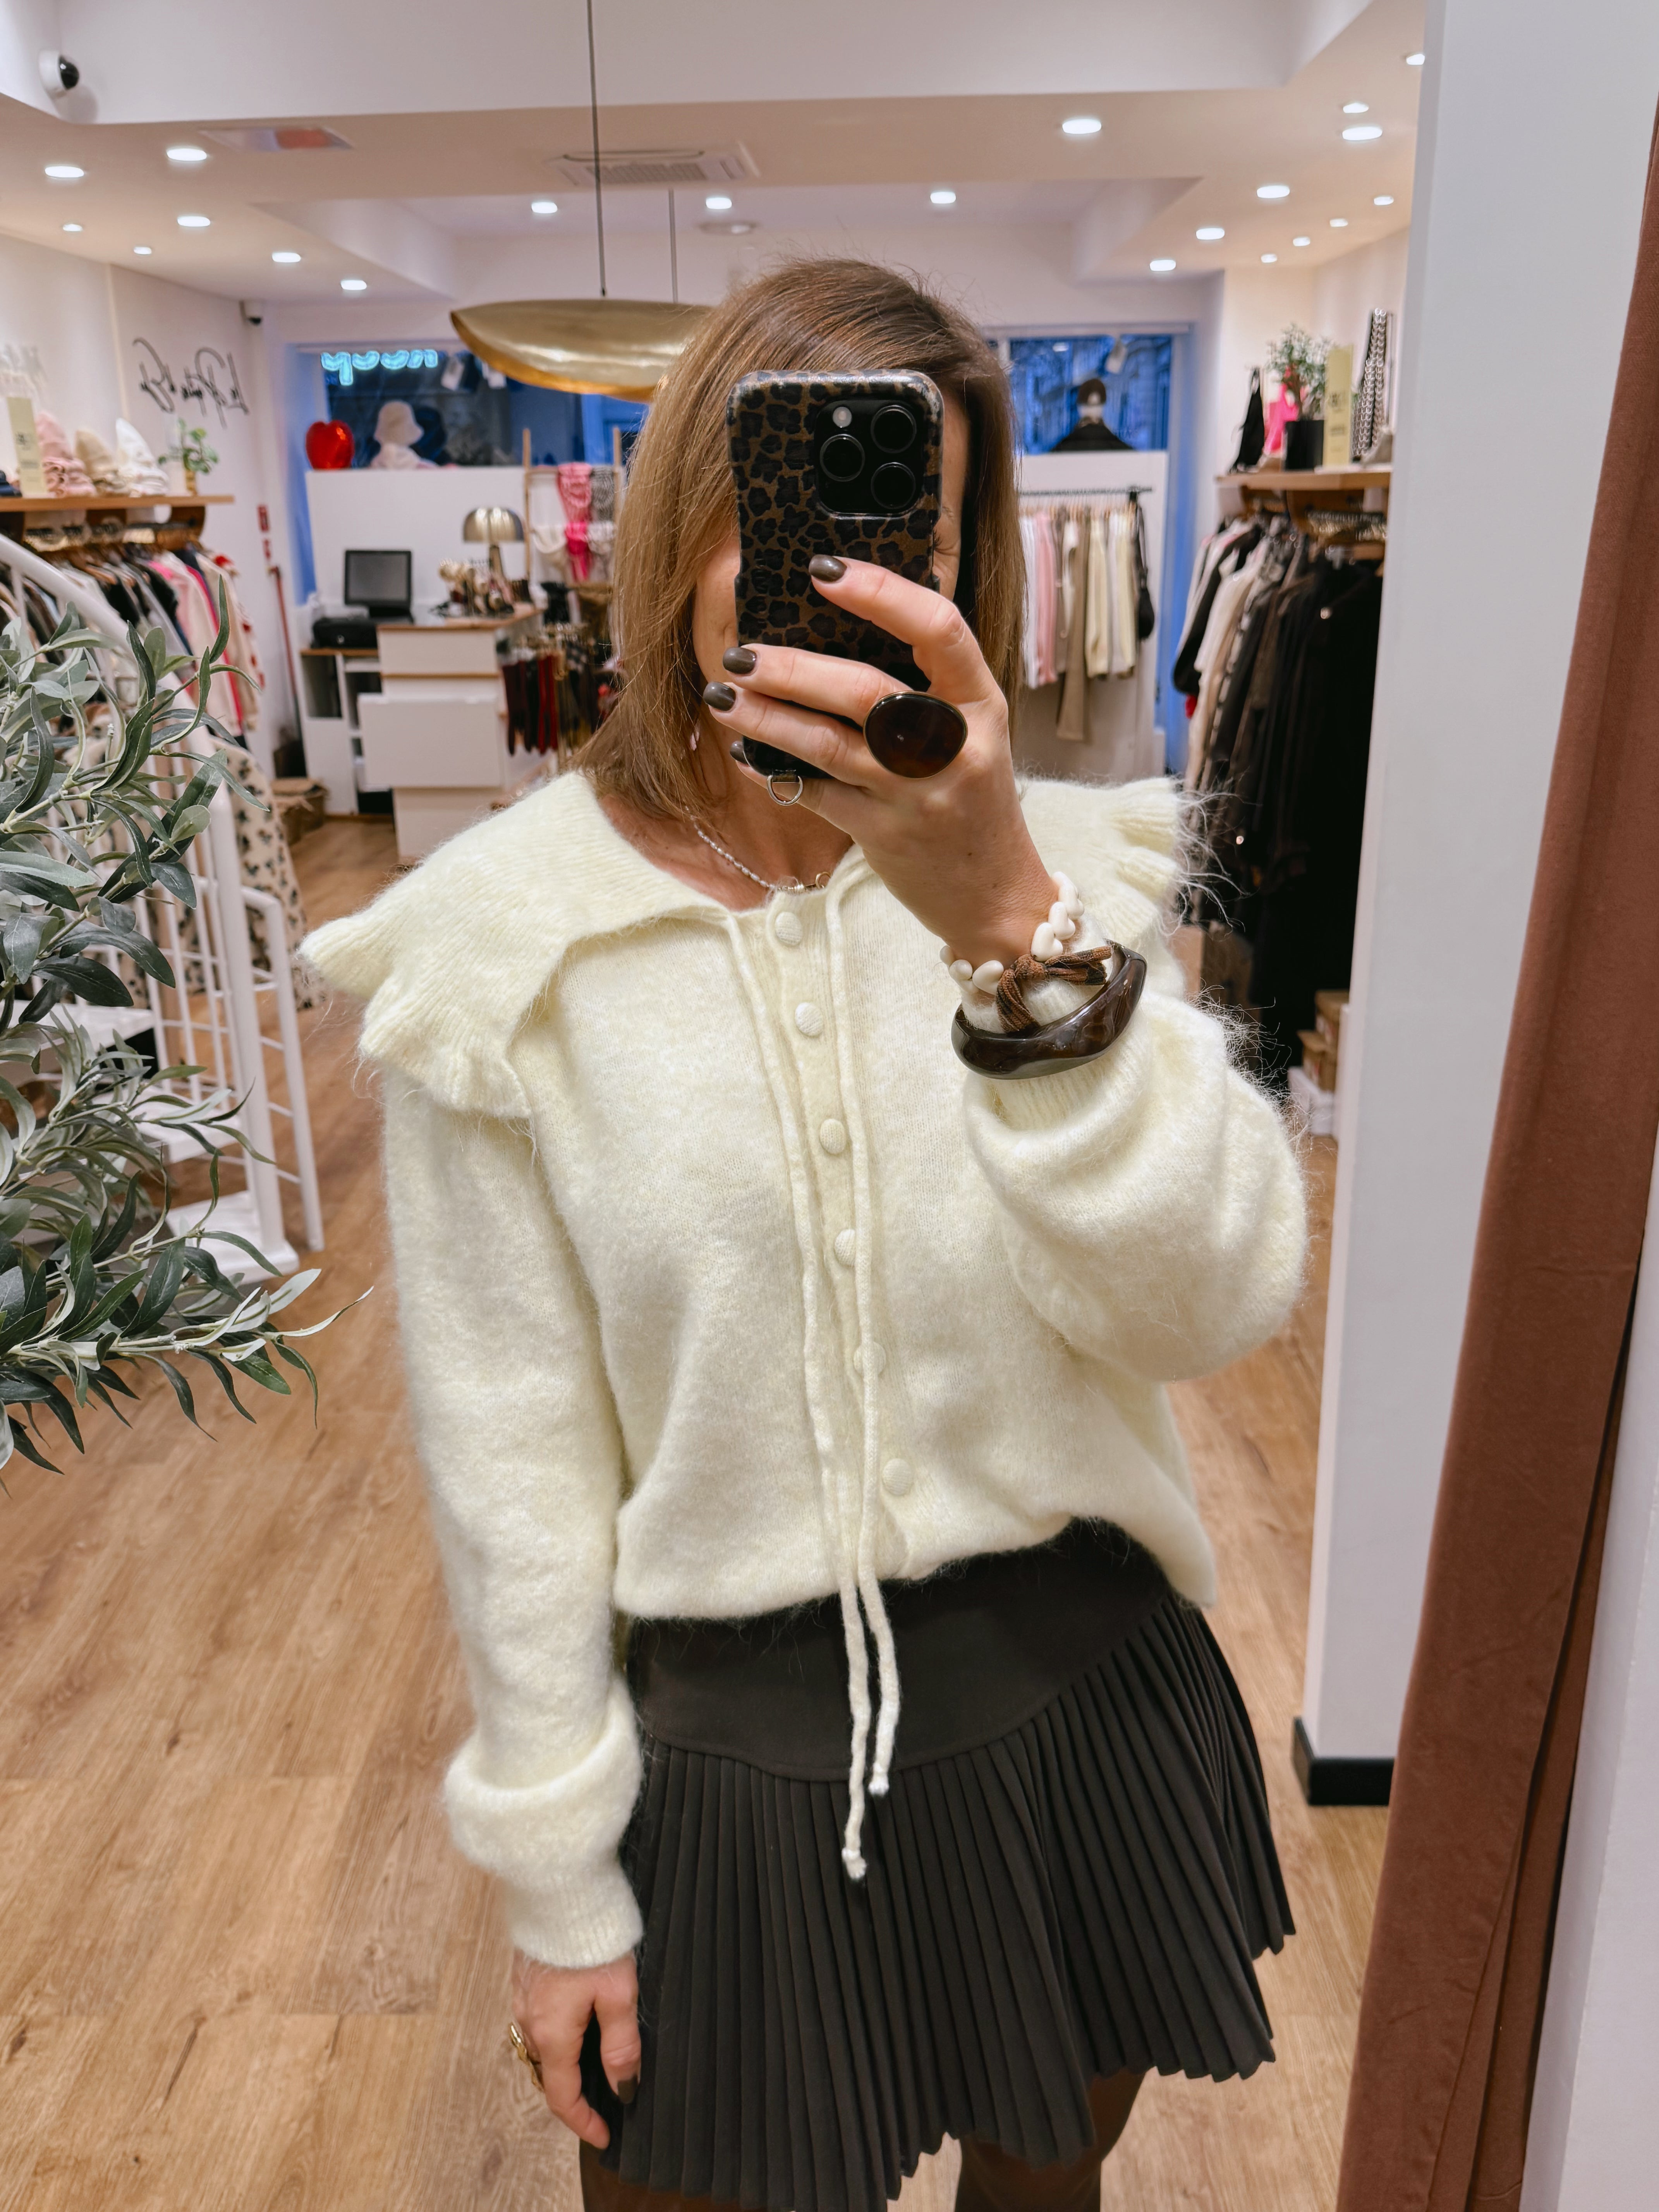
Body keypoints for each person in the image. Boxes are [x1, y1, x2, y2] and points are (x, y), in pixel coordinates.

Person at [303, 258, 1305, 2212]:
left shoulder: (1065, 876)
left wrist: (1010, 927)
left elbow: (1208, 1299)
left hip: (1077, 1696)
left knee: (1047, 2184)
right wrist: (558, 1880)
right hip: (724, 1749)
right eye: (779, 516)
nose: (835, 573)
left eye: (897, 524)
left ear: (962, 562)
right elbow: (513, 1457)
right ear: (684, 522)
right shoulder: (504, 949)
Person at [1049, 374, 1131, 452]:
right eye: (1088, 405)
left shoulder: (1064, 446)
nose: (1091, 410)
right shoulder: (1116, 445)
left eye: (1095, 405)